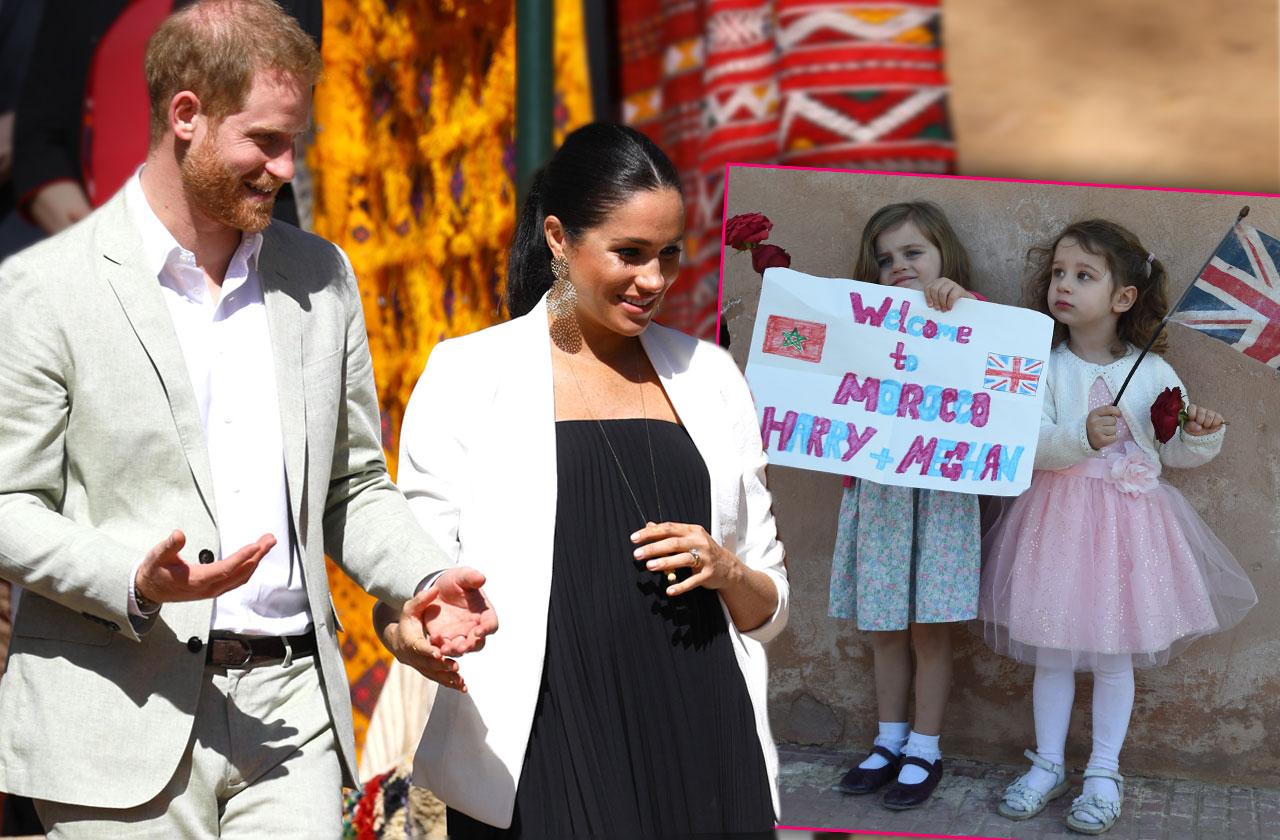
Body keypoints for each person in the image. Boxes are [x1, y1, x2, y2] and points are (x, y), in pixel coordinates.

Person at [0, 1, 495, 837]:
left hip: (293, 715)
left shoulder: (321, 276)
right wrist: (131, 577)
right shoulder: (48, 287)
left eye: (293, 141)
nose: (284, 167)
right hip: (117, 711)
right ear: (185, 115)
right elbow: (10, 506)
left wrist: (423, 577)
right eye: (263, 141)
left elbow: (352, 481)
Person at [377, 121, 789, 838]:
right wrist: (411, 628)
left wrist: (726, 569)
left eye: (668, 255)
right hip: (542, 749)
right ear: (559, 238)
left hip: (708, 745)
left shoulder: (712, 376)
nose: (654, 281)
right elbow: (411, 569)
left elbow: (770, 608)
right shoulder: (471, 373)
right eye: (629, 254)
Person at [980, 219, 1256, 834]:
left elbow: (1172, 455)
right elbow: (1022, 441)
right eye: (1057, 274)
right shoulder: (1043, 367)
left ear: (1123, 297)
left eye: (1083, 276)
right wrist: (1079, 436)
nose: (1064, 286)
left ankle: (1103, 770)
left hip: (1130, 532)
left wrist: (1198, 435)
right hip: (1055, 522)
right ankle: (1047, 764)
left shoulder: (1154, 374)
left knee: (1112, 656)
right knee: (1050, 651)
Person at [828, 201, 983, 809]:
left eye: (912, 252)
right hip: (882, 493)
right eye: (885, 258)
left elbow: (996, 370)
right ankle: (888, 739)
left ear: (944, 253)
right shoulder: (863, 322)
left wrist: (962, 307)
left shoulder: (973, 316)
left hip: (943, 495)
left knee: (930, 627)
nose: (898, 266)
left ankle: (925, 746)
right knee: (885, 625)